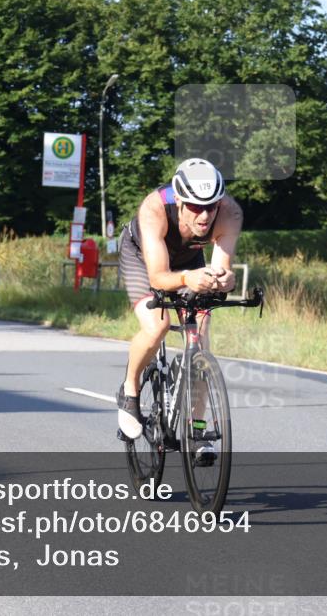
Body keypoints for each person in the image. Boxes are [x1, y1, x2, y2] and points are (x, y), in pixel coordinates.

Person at [116, 158, 243, 456]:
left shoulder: (230, 212)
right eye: (196, 207)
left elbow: (219, 267)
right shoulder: (155, 208)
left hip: (188, 261)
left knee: (201, 333)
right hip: (142, 258)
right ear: (180, 200)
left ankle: (197, 431)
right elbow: (158, 277)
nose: (205, 215)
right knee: (157, 324)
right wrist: (187, 278)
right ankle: (129, 390)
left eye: (211, 206)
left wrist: (224, 280)